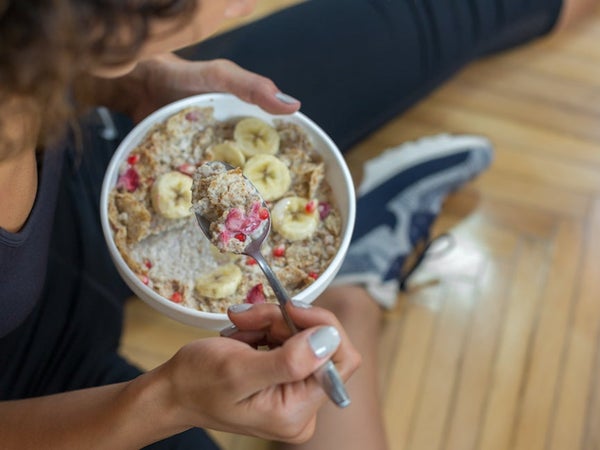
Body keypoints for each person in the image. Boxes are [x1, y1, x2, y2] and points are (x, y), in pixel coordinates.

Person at [0, 0, 595, 449]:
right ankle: (355, 289)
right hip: (43, 392)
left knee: (443, 16)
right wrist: (167, 398)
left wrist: (130, 78)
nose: (241, 7)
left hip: (85, 150)